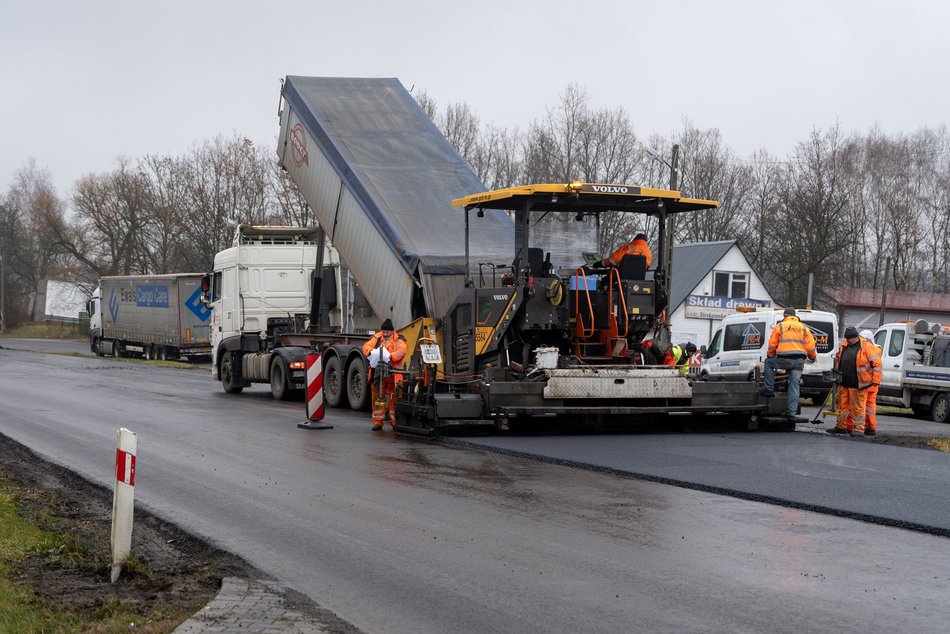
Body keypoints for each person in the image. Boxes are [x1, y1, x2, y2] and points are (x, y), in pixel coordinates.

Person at [761, 307, 818, 417]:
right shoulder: (804, 327)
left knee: (768, 363)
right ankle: (792, 412)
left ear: (784, 316)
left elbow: (772, 345)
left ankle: (768, 389)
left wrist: (771, 356)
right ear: (795, 316)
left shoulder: (780, 326)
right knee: (794, 386)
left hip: (784, 360)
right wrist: (812, 357)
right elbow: (811, 346)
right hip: (799, 362)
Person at [830, 327, 882, 435]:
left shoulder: (866, 346)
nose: (848, 341)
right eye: (847, 339)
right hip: (844, 382)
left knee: (858, 408)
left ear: (855, 337)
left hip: (859, 383)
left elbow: (877, 364)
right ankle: (841, 426)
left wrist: (876, 380)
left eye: (849, 339)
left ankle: (858, 429)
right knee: (842, 406)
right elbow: (839, 359)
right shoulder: (845, 344)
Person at [362, 318, 408, 431]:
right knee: (377, 397)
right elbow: (366, 347)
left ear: (392, 332)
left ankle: (394, 421)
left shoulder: (399, 340)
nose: (385, 334)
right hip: (378, 375)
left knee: (395, 398)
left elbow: (402, 351)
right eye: (384, 332)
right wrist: (371, 352)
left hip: (394, 375)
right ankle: (378, 422)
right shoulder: (377, 338)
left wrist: (390, 356)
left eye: (387, 332)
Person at [860, 329, 881, 435]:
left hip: (866, 382)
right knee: (870, 406)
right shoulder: (877, 349)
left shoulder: (866, 349)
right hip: (873, 383)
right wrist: (876, 381)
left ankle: (861, 426)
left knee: (862, 405)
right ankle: (871, 427)